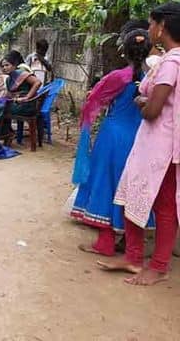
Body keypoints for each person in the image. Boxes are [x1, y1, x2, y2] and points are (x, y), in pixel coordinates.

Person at [100, 2, 180, 285]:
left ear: (162, 26)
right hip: (151, 143)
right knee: (130, 193)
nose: (149, 30)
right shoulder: (168, 59)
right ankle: (133, 258)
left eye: (151, 24)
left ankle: (157, 266)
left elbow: (153, 110)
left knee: (164, 206)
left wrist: (142, 101)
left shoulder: (171, 62)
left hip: (164, 146)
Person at [71, 28, 152, 256]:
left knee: (105, 184)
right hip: (139, 138)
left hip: (112, 137)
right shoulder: (151, 78)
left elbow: (93, 99)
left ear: (124, 51)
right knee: (130, 186)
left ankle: (105, 242)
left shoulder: (118, 77)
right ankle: (128, 240)